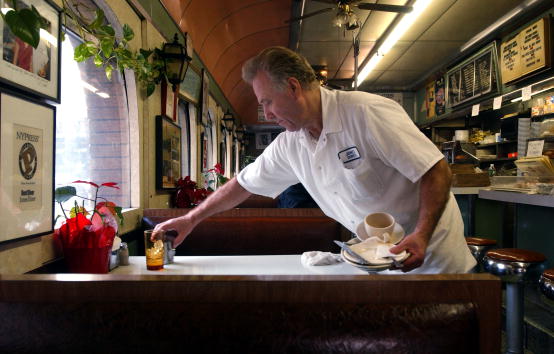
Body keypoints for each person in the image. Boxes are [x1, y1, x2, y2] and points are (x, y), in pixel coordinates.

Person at [154, 46, 476, 274]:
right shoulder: (291, 144)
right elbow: (242, 185)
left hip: (433, 258)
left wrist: (420, 234)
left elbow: (435, 170)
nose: (266, 114)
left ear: (293, 87)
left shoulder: (365, 113)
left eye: (268, 102)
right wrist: (191, 220)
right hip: (379, 259)